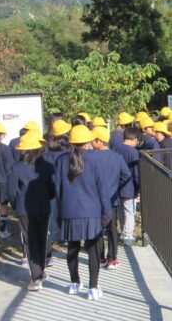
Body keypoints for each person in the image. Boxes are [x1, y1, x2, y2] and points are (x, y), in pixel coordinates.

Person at [54, 125, 111, 300]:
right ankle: (93, 288)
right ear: (88, 142)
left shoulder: (61, 160)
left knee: (73, 248)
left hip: (69, 211)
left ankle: (74, 282)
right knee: (93, 250)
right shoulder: (95, 160)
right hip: (91, 211)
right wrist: (106, 212)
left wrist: (58, 213)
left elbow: (57, 189)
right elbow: (103, 190)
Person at [6, 130, 55, 291]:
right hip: (43, 208)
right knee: (42, 239)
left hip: (24, 210)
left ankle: (36, 277)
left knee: (29, 242)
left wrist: (15, 205)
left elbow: (11, 191)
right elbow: (53, 189)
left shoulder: (17, 167)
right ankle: (40, 271)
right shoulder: (47, 167)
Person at [89, 126, 129, 270]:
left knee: (98, 228)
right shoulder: (117, 157)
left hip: (95, 199)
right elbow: (127, 175)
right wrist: (116, 186)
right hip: (112, 199)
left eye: (92, 140)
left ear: (99, 141)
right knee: (112, 229)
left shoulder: (91, 157)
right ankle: (113, 258)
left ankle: (101, 257)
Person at [43, 119, 72, 265]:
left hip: (50, 185)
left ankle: (52, 238)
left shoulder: (45, 148)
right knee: (65, 209)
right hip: (66, 184)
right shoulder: (68, 149)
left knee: (52, 212)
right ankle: (66, 237)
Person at [112, 126, 141, 246]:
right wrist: (139, 187)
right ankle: (127, 235)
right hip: (129, 186)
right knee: (130, 210)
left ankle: (123, 230)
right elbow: (136, 173)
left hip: (115, 185)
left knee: (120, 210)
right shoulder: (133, 152)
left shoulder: (114, 148)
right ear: (135, 139)